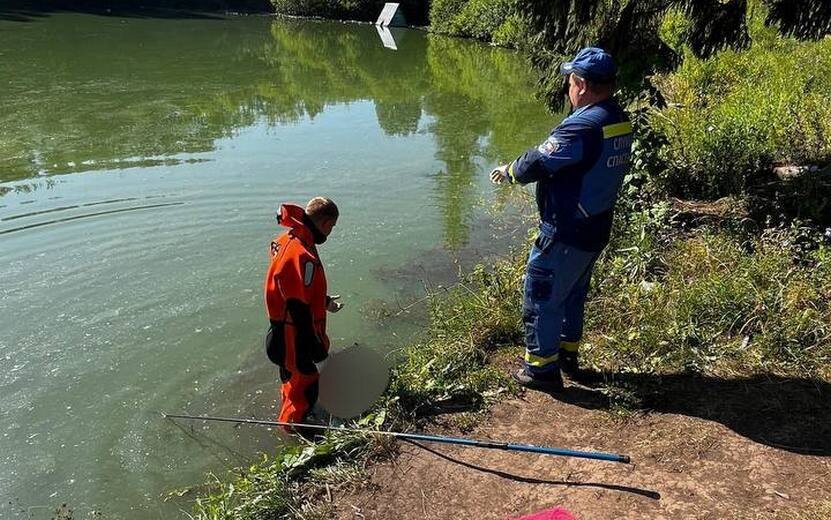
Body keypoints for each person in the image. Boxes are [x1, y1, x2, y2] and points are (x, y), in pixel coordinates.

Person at [490, 47, 633, 391]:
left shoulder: (584, 125)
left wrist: (509, 171)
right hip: (595, 224)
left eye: (570, 81)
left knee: (541, 294)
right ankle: (567, 355)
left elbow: (538, 161)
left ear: (580, 84)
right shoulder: (618, 118)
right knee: (571, 293)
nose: (568, 88)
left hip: (566, 230)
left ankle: (541, 370)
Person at [263, 197, 343, 433]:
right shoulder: (301, 254)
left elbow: (294, 290)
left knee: (293, 382)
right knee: (305, 384)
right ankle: (293, 431)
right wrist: (315, 348)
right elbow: (298, 308)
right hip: (293, 336)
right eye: (331, 227)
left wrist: (324, 302)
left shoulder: (288, 240)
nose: (330, 232)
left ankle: (293, 417)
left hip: (283, 332)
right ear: (325, 223)